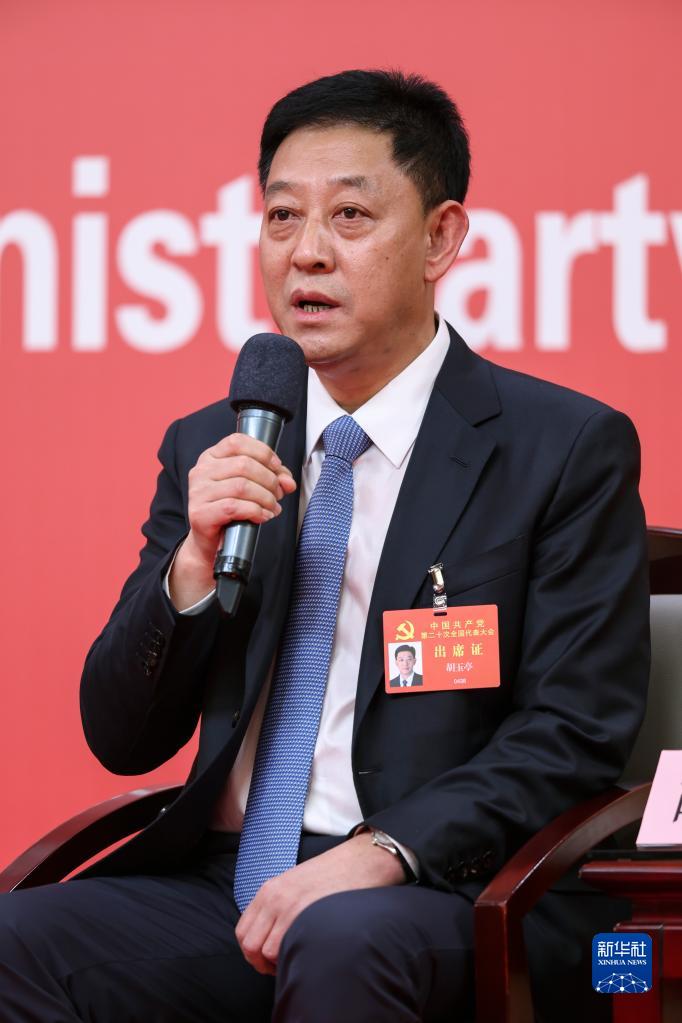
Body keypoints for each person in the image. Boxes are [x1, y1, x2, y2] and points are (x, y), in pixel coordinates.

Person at [0, 69, 649, 1023]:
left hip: (455, 886)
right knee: (16, 941)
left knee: (340, 938)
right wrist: (189, 570)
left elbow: (573, 733)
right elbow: (122, 736)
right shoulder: (218, 444)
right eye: (281, 217)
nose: (306, 252)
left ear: (440, 239)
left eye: (350, 216)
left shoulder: (560, 448)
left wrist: (383, 850)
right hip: (231, 882)